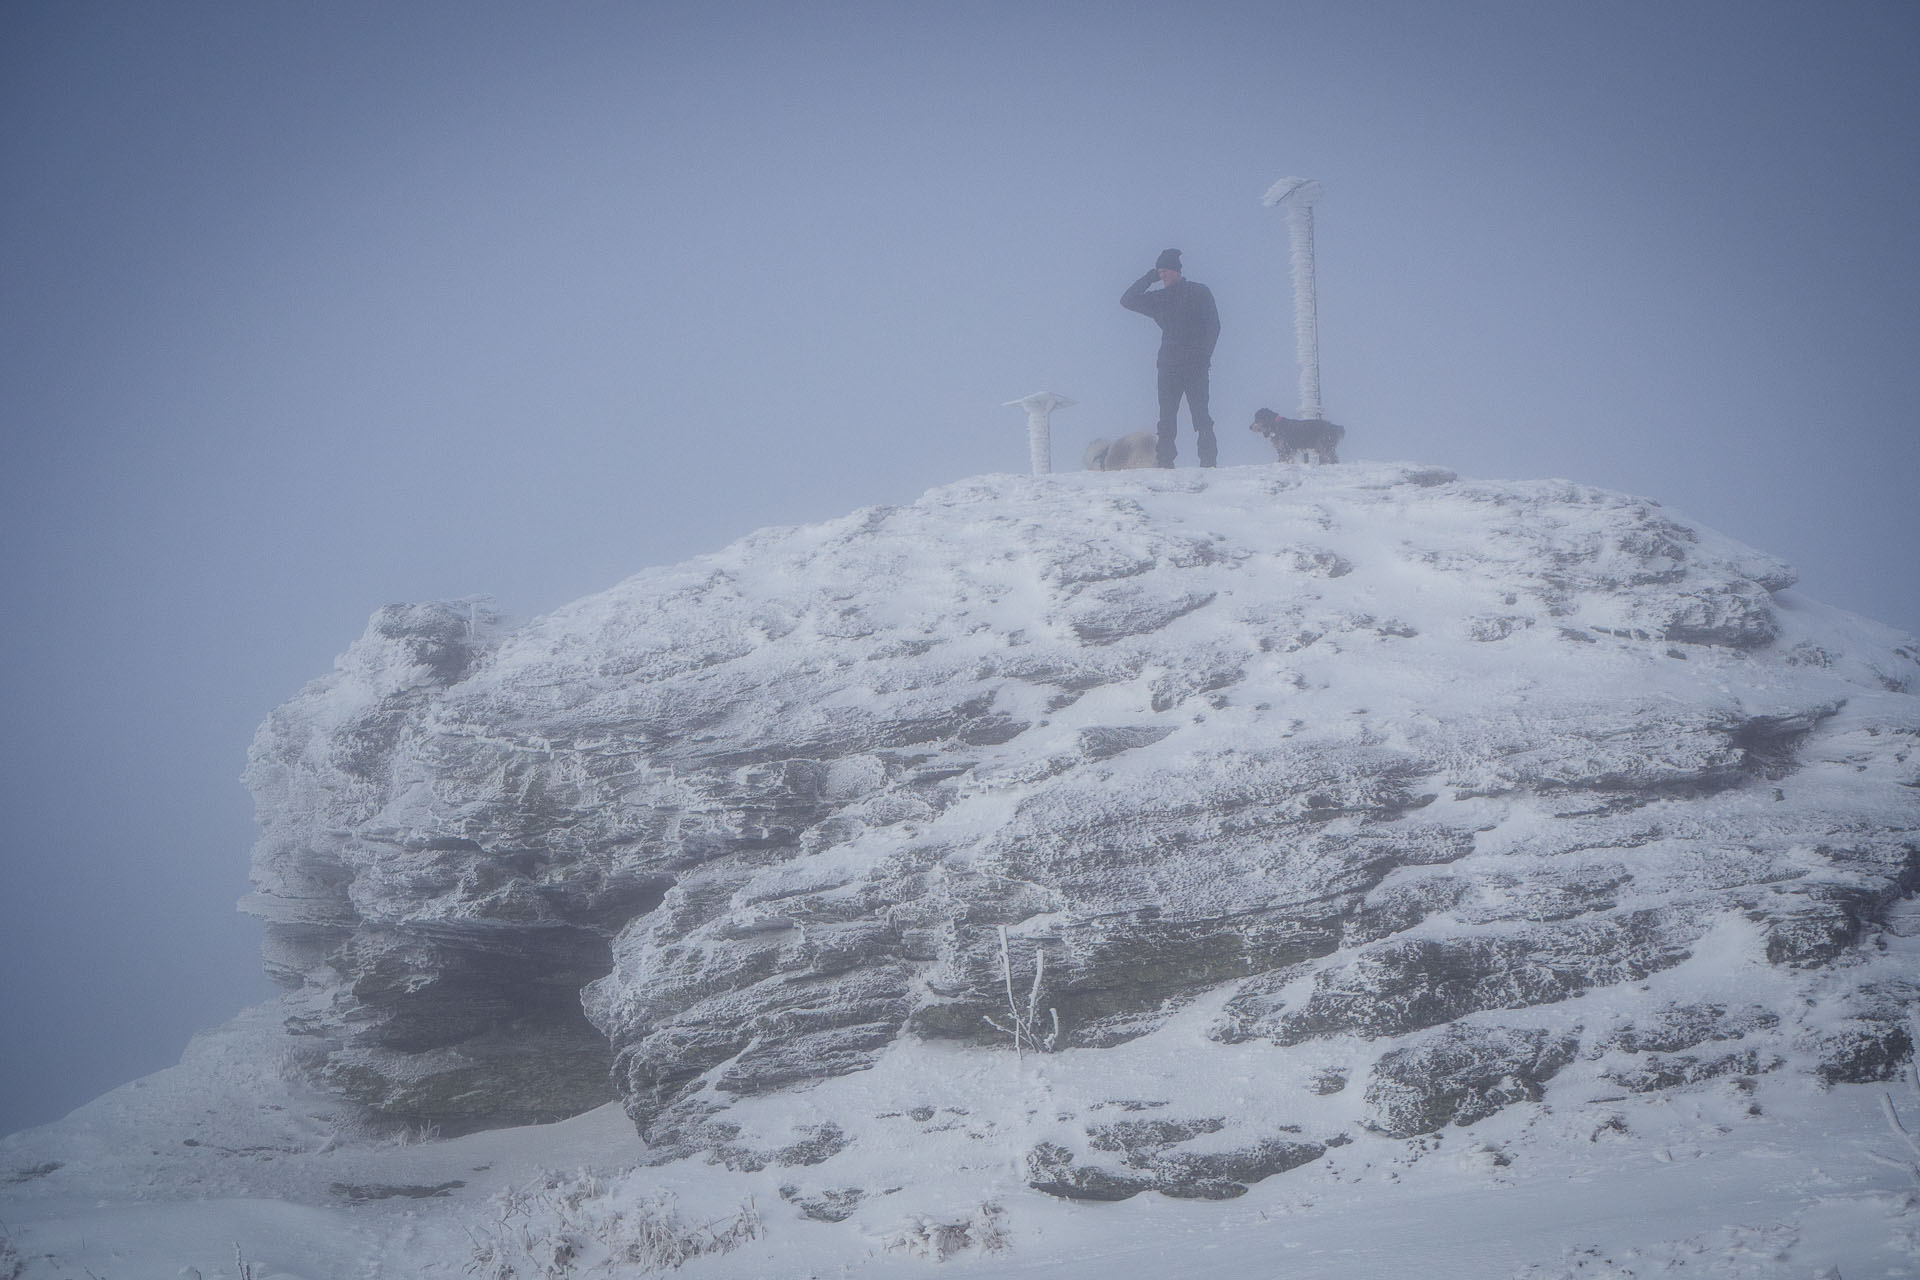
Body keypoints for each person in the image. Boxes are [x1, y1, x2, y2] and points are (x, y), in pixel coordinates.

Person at [1121, 248, 1221, 467]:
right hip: (1168, 366)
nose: (1163, 274)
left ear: (1177, 271)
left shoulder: (1199, 292)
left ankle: (1209, 462)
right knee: (1166, 418)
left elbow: (1214, 325)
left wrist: (1204, 355)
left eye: (1166, 270)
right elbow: (1127, 300)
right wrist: (1150, 277)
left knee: (1201, 415)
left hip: (1196, 365)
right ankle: (1165, 463)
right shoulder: (1159, 299)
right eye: (1160, 270)